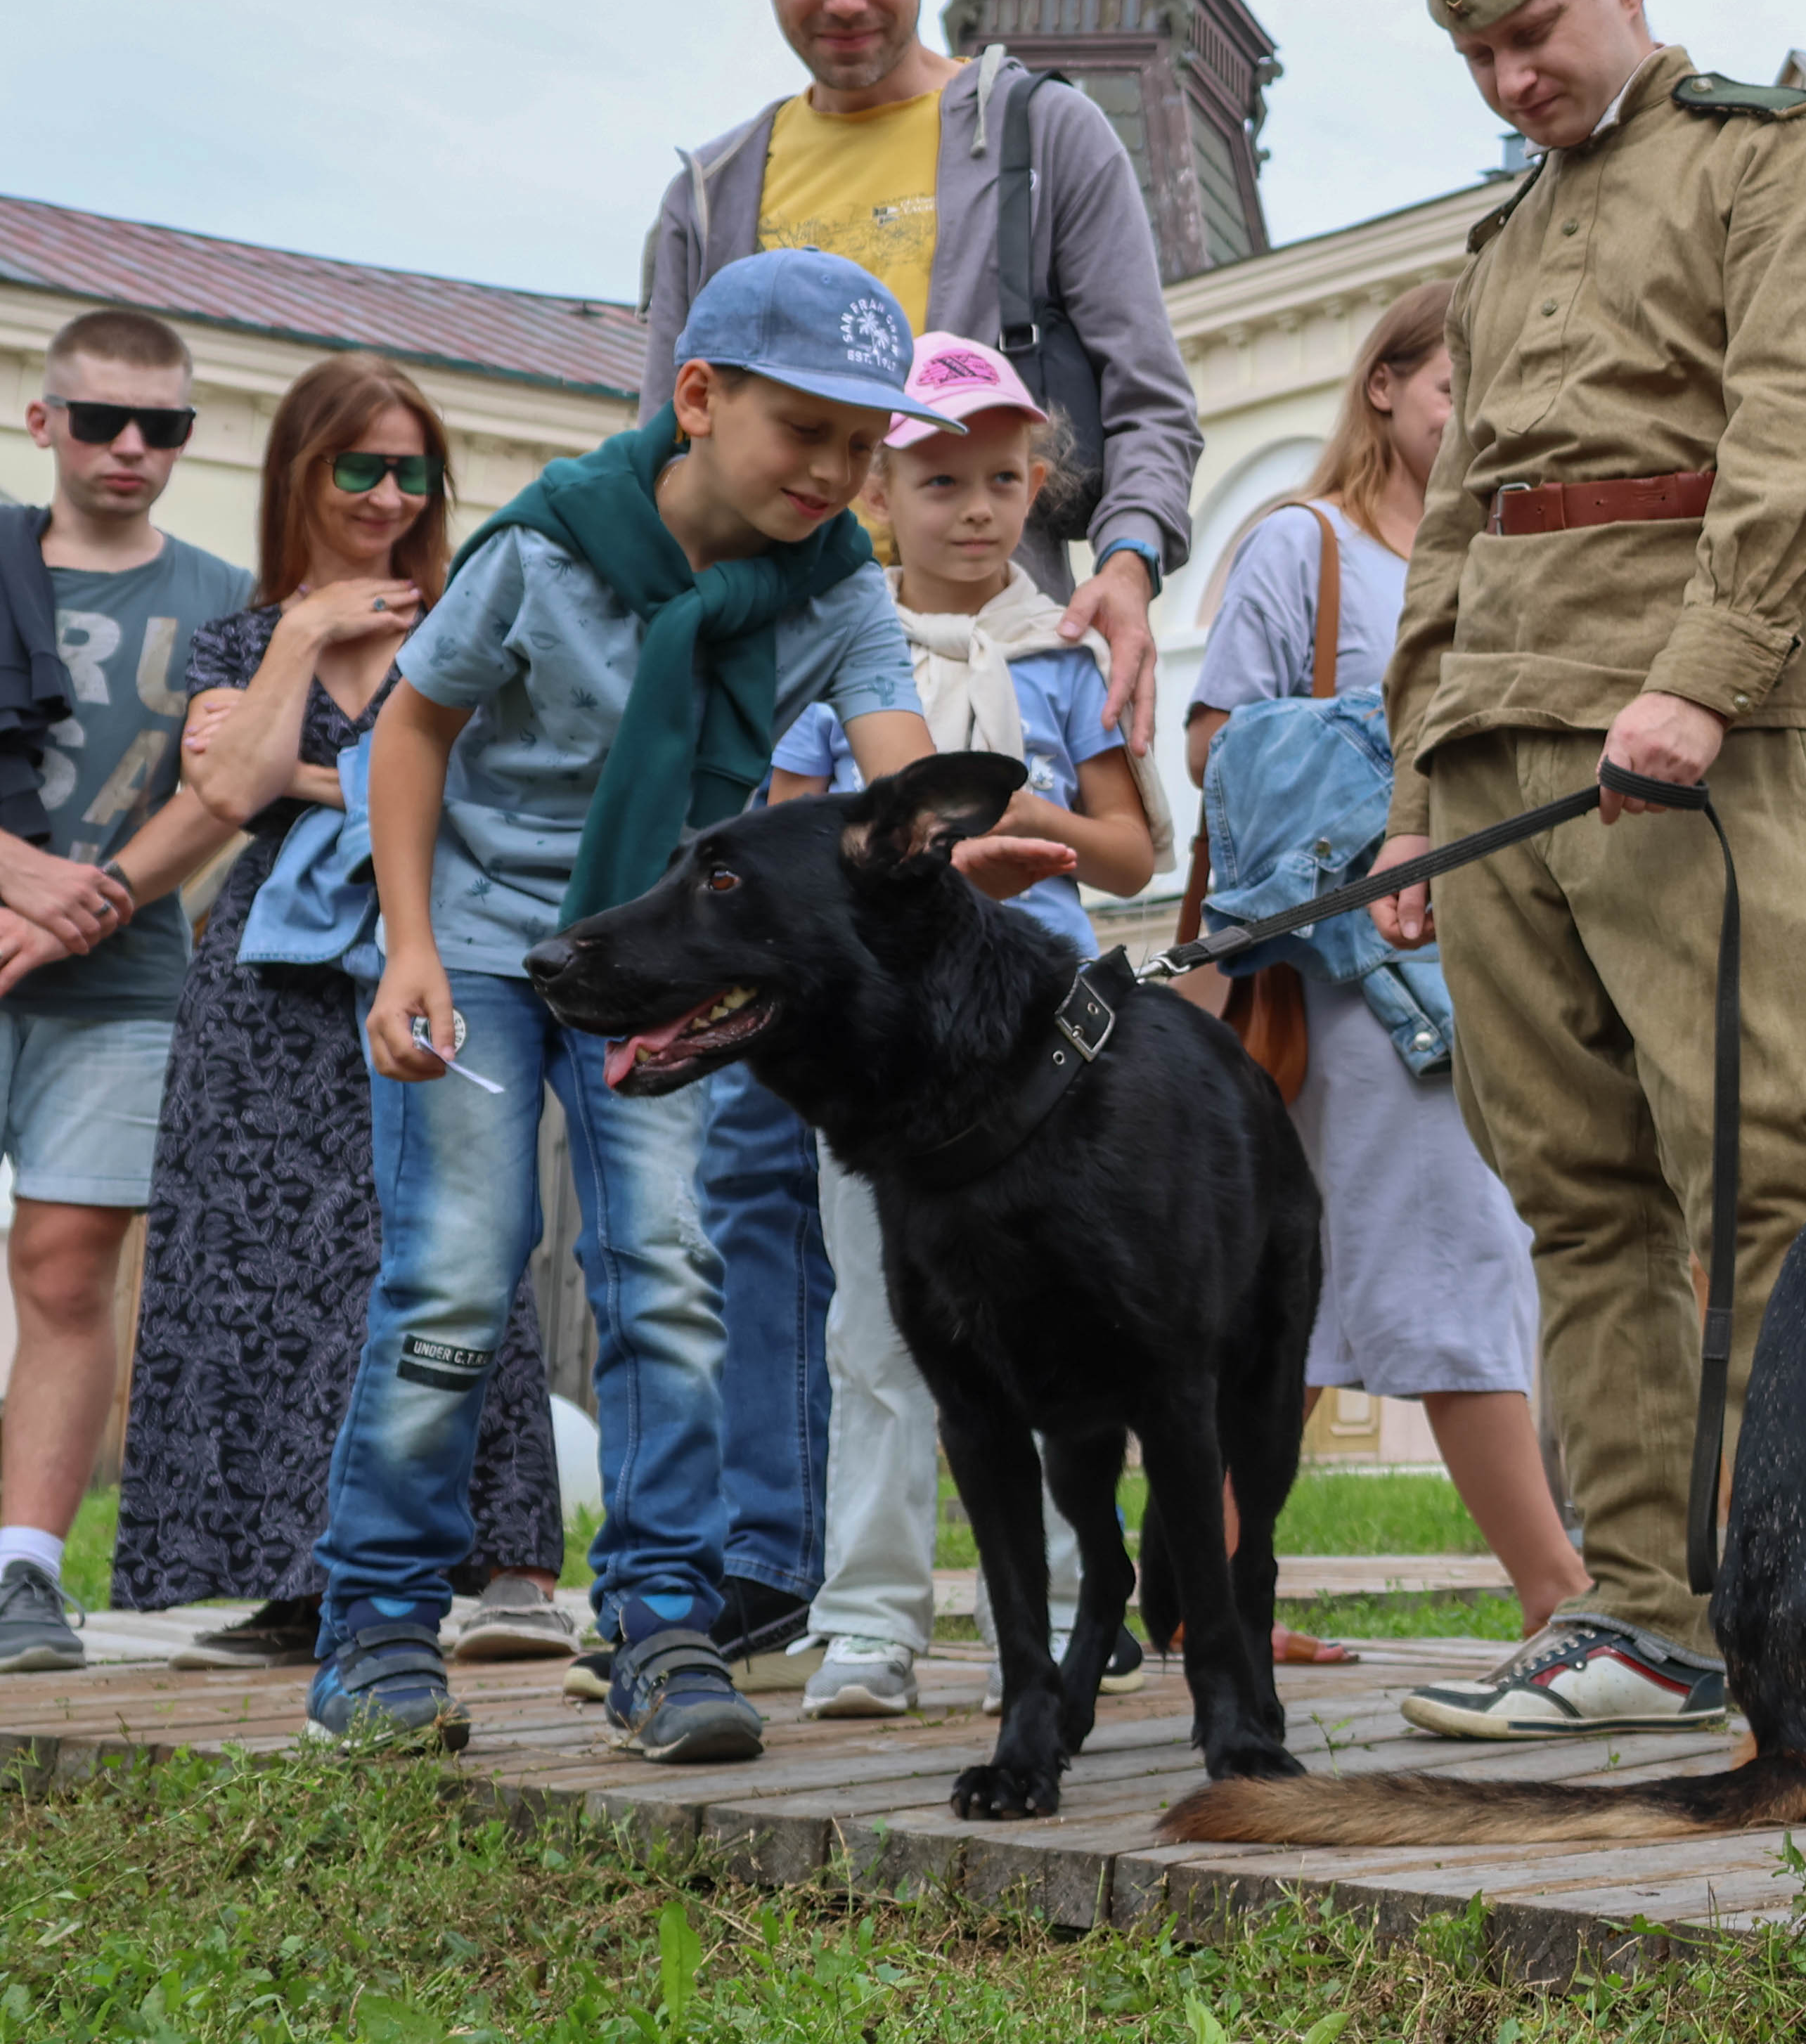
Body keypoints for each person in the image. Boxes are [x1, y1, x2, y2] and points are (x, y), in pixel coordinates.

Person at [309, 253, 1045, 1758]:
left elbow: (890, 774)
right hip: (481, 932)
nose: (837, 473)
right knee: (457, 1269)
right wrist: (405, 946)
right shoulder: (546, 552)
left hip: (663, 955)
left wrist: (943, 853)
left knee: (670, 1271)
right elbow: (410, 735)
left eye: (863, 445)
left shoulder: (834, 583)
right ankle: (376, 1627)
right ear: (700, 400)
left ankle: (659, 1621)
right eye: (807, 432)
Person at [1356, 0, 1806, 1740]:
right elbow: (1452, 532)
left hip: (1710, 748)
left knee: (1774, 1172)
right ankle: (1644, 1623)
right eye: (1480, 57)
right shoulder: (1497, 249)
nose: (1516, 79)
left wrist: (1703, 674)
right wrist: (1415, 787)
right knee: (1575, 1203)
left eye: (1534, 32)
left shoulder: (1772, 159)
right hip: (1507, 753)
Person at [638, 0, 1205, 1680]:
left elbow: (1144, 388)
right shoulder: (717, 188)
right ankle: (783, 1570)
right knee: (754, 1182)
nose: (845, 0)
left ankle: (1076, 1599)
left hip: (992, 673)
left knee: (1017, 1207)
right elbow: (672, 458)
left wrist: (1116, 569)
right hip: (765, 694)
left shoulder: (1040, 142)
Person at [112, 354, 573, 1671]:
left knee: (453, 1247)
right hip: (270, 996)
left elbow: (485, 790)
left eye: (408, 468)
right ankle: (299, 1578)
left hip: (445, 956)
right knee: (266, 1272)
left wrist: (318, 774)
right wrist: (308, 634)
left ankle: (511, 1569)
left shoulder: (474, 615)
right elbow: (229, 792)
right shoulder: (248, 635)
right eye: (354, 466)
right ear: (301, 475)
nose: (384, 492)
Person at [1183, 279, 1585, 1641]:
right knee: (1461, 1255)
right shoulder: (1304, 546)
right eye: (1456, 389)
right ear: (1386, 387)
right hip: (1346, 981)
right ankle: (1560, 1595)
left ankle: (1199, 1590)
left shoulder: (1500, 565)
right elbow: (1212, 750)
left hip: (1483, 965)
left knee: (1288, 1294)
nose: (1478, 419)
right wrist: (1389, 752)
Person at [761, 332, 1149, 1721]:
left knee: (1060, 1325)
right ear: (883, 491)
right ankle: (869, 1616)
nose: (977, 508)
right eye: (941, 481)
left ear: (1038, 482)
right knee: (876, 1328)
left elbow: (1132, 853)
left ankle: (1069, 1606)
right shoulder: (834, 653)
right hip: (883, 1051)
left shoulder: (1059, 652)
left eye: (1002, 478)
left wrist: (1029, 814)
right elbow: (785, 843)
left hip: (1048, 1044)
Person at [0, 311, 249, 1670]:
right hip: (25, 933)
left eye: (165, 427)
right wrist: (21, 878)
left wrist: (90, 900)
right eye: (101, 421)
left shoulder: (222, 596)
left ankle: (24, 1572)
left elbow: (232, 791)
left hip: (126, 979)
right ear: (45, 424)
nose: (132, 449)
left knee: (67, 1266)